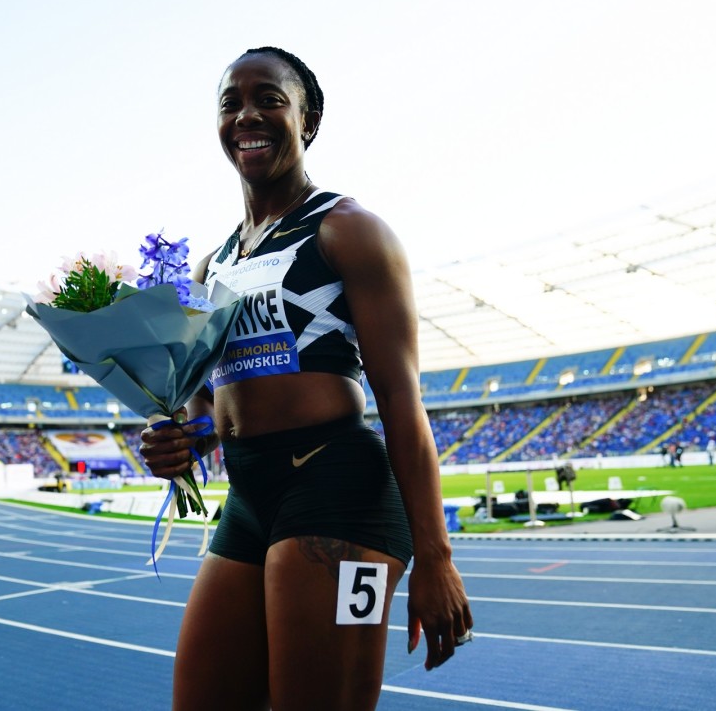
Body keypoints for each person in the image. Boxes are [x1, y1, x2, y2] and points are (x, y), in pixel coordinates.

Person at [139, 46, 472, 711]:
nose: (247, 116)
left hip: (338, 489)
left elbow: (403, 404)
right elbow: (213, 404)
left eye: (270, 99)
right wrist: (183, 439)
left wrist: (435, 555)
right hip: (250, 494)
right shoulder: (213, 264)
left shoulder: (348, 231)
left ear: (308, 120)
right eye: (230, 103)